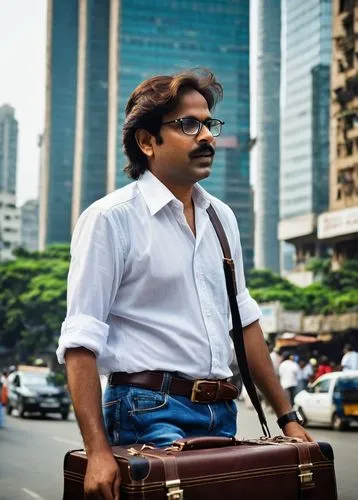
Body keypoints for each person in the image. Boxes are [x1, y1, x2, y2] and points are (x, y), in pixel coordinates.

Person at [57, 69, 312, 500]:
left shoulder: (222, 217)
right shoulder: (110, 219)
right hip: (146, 408)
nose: (207, 136)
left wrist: (287, 416)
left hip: (221, 411)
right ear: (146, 141)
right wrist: (98, 450)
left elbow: (244, 324)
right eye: (187, 125)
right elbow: (81, 340)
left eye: (209, 124)